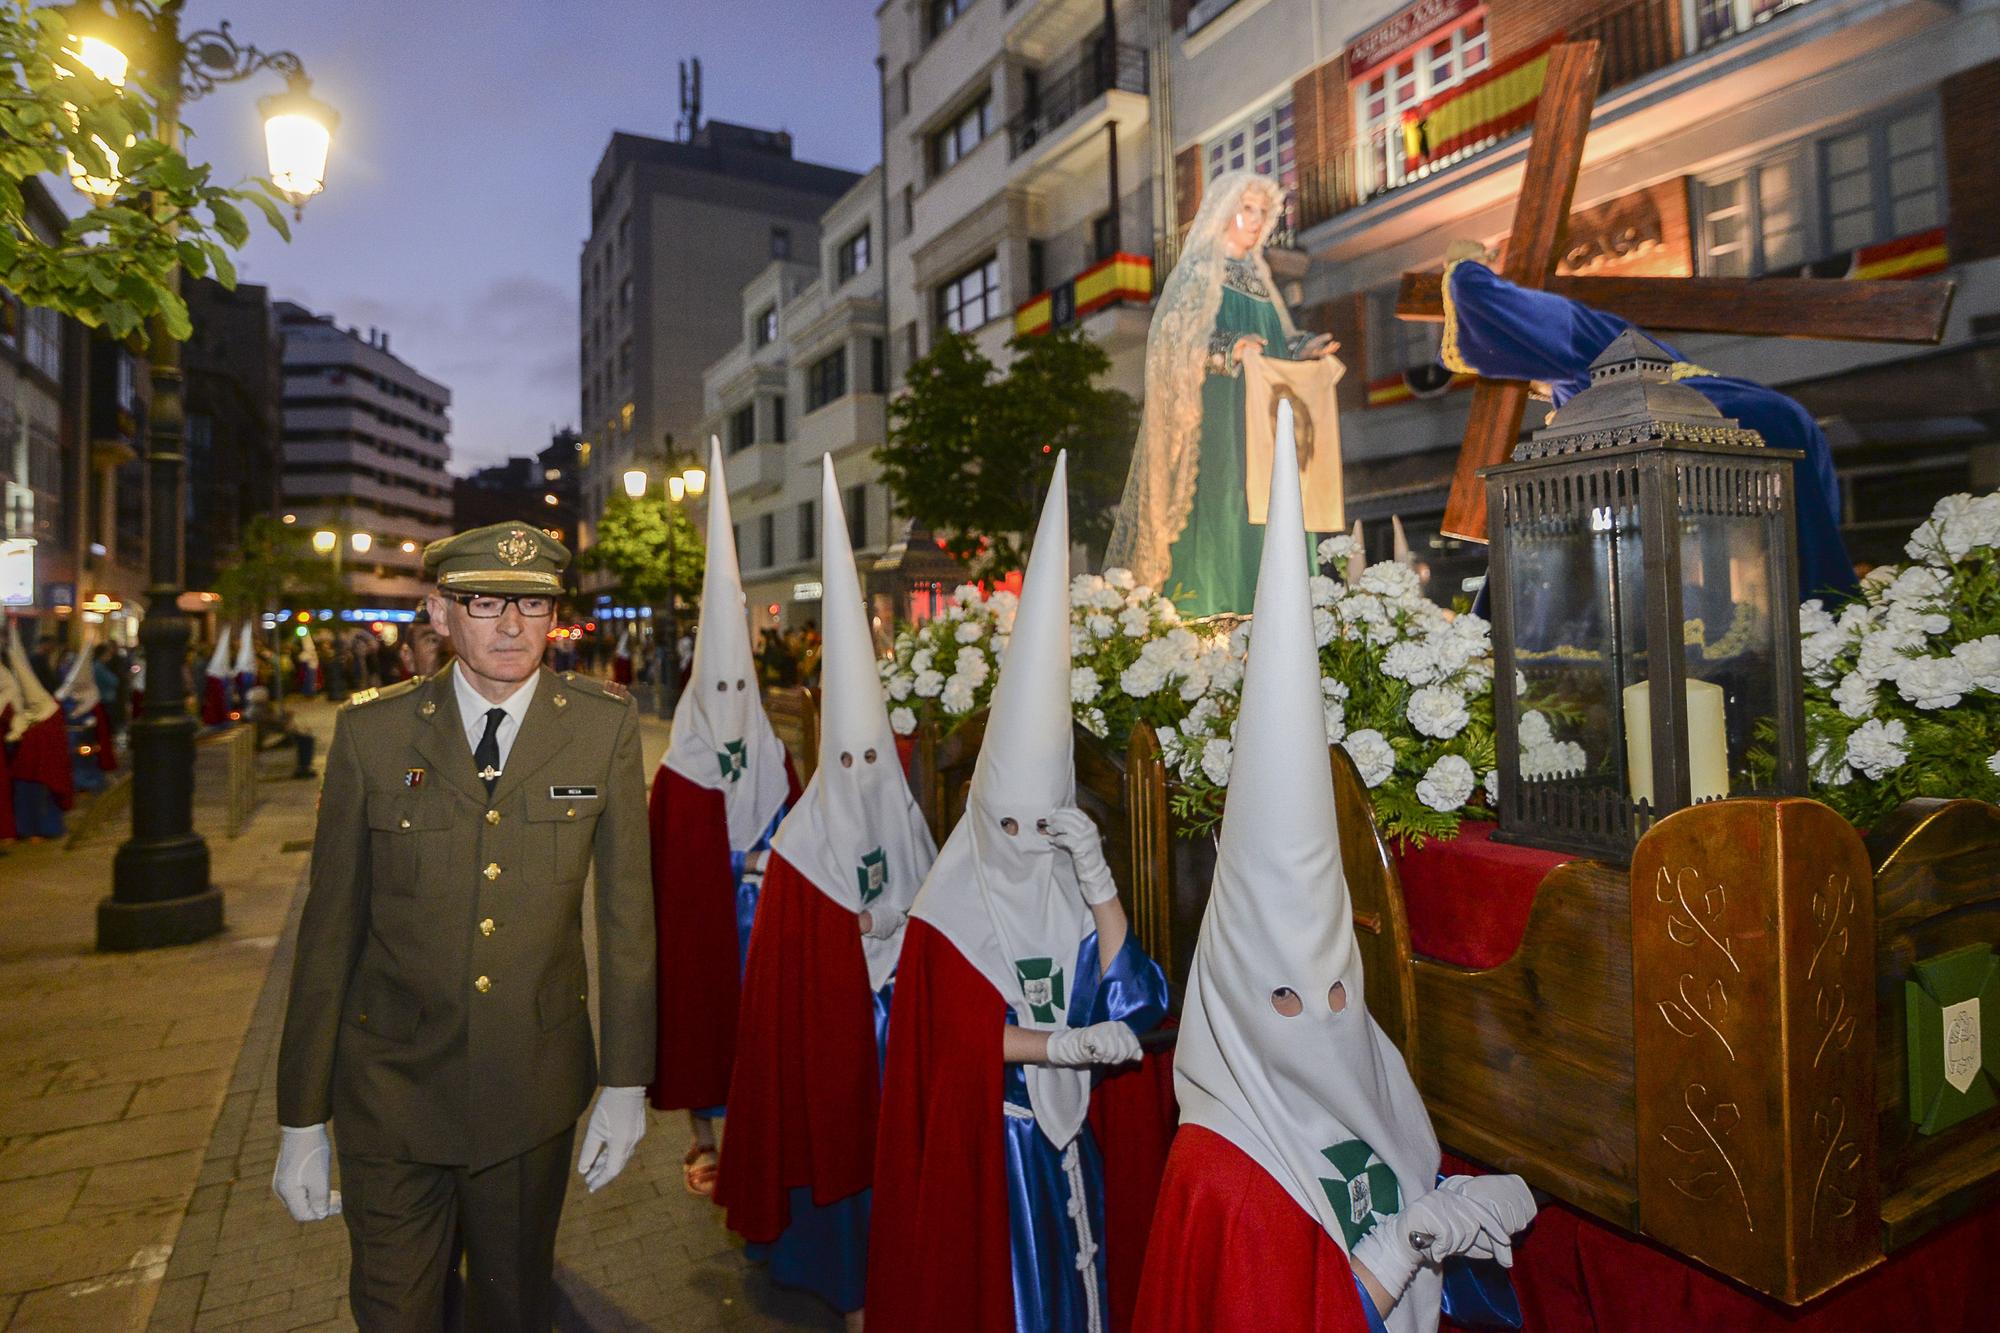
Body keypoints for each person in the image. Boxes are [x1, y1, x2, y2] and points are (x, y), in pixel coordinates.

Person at [1135, 406, 1537, 1332]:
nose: (1316, 1023)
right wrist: (1402, 1251)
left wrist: (1461, 1210)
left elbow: (1400, 1183)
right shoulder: (1222, 1175)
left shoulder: (1372, 1076)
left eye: (1332, 993)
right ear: (1231, 994)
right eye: (1280, 999)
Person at [272, 521, 656, 1332]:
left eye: (532, 603)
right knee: (394, 1311)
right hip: (390, 1089)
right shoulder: (371, 733)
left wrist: (627, 1082)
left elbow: (628, 919)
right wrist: (300, 1116)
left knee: (511, 1307)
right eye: (486, 602)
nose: (512, 625)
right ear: (440, 613)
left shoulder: (601, 726)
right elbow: (328, 933)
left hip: (529, 1088)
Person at [867, 453, 1170, 1332]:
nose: (1027, 846)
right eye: (1012, 826)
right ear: (977, 810)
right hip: (990, 1151)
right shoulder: (942, 917)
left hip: (1072, 1145)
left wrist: (1100, 884)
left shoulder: (1067, 888)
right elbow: (943, 1041)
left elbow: (1138, 1002)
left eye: (1049, 824)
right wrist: (1062, 1047)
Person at [717, 458, 940, 1328]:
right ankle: (836, 1271)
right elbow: (785, 994)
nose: (857, 774)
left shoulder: (907, 816)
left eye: (869, 758)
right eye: (841, 759)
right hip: (838, 1042)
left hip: (897, 1021)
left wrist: (888, 926)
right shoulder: (803, 844)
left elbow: (931, 906)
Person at [650, 438, 800, 1195]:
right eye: (720, 686)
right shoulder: (677, 771)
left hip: (766, 917)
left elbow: (806, 826)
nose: (733, 698)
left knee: (765, 1028)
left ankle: (762, 1130)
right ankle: (702, 1134)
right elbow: (664, 868)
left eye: (742, 683)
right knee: (705, 1016)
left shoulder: (777, 755)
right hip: (711, 926)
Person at [1105, 170, 1342, 616]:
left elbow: (1275, 343)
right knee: (1226, 502)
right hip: (1220, 415)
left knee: (1274, 503)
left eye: (1263, 212)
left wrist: (1301, 347)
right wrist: (1226, 347)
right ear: (1222, 211)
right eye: (1246, 208)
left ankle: (1280, 615)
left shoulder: (1262, 283)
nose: (1256, 220)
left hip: (1265, 421)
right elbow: (1172, 341)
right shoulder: (1197, 272)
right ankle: (1215, 615)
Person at [5, 621, 71, 839]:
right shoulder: (43, 710)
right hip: (31, 766)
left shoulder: (47, 712)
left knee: (37, 794)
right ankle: (31, 828)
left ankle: (39, 828)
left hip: (37, 766)